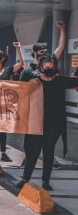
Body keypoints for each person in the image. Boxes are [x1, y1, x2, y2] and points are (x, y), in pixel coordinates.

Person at [17, 55, 78, 191]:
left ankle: (45, 181)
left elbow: (75, 82)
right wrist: (29, 84)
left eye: (52, 67)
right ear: (41, 68)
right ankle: (25, 179)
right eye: (47, 68)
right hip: (37, 124)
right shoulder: (34, 82)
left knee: (49, 152)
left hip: (54, 126)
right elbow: (18, 91)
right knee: (33, 153)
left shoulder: (60, 81)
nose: (50, 70)